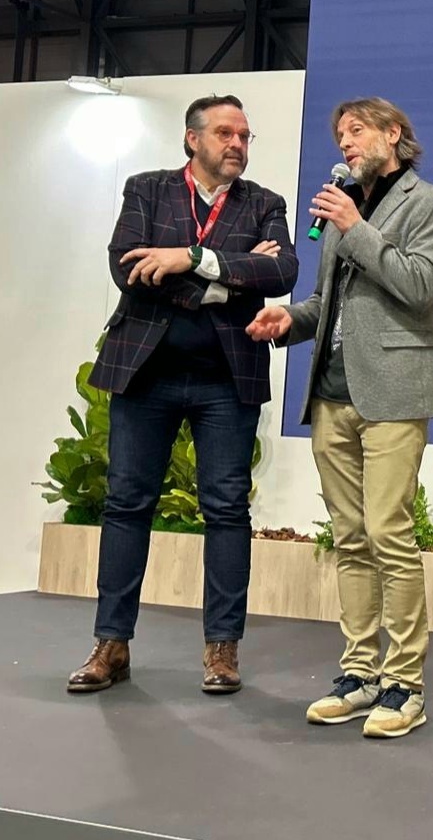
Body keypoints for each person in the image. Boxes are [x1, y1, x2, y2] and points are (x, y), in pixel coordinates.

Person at [69, 94, 298, 695]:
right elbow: (127, 269)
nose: (238, 145)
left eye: (245, 137)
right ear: (192, 140)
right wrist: (226, 279)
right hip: (146, 374)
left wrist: (186, 258)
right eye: (226, 134)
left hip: (227, 379)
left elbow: (282, 275)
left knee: (226, 510)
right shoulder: (147, 190)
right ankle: (111, 645)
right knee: (126, 505)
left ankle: (222, 652)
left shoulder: (265, 204)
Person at [247, 97, 433, 739]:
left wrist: (356, 226)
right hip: (332, 392)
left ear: (395, 134)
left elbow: (420, 285)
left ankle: (405, 685)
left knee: (389, 533)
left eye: (357, 131)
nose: (344, 143)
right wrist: (291, 320)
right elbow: (328, 302)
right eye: (340, 134)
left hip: (394, 390)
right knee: (349, 537)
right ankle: (360, 672)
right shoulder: (344, 207)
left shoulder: (431, 205)